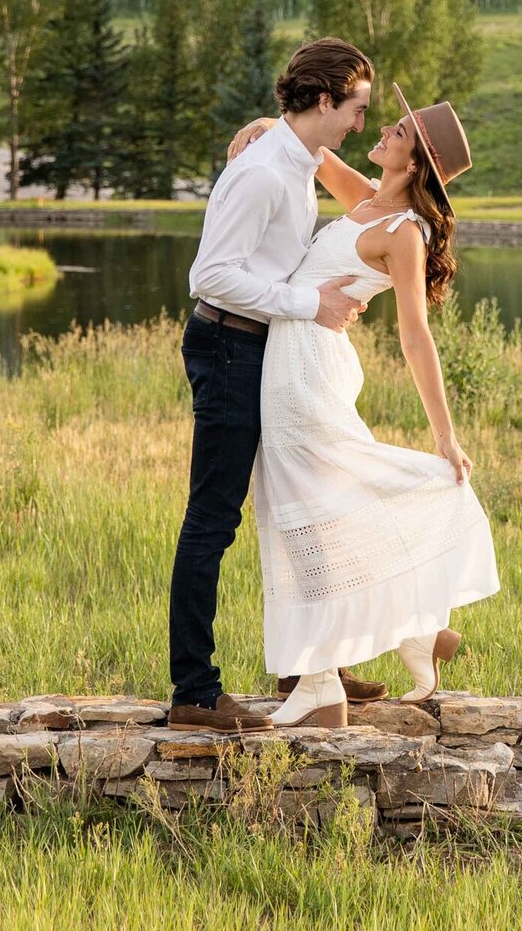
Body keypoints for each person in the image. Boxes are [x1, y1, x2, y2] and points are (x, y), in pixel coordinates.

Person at [229, 84, 499, 729]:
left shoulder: (403, 233)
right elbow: (314, 149)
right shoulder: (368, 203)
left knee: (304, 515)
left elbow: (415, 336)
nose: (382, 133)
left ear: (414, 164)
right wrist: (269, 120)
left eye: (399, 133)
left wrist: (446, 435)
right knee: (302, 513)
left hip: (308, 371)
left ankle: (329, 679)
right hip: (291, 361)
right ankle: (407, 634)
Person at [166, 38, 379, 732]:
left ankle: (310, 666)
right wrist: (310, 305)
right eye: (355, 109)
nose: (360, 123)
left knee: (299, 503)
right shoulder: (262, 172)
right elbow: (211, 276)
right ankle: (194, 695)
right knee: (213, 521)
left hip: (263, 348)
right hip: (228, 345)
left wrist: (284, 129)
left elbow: (368, 198)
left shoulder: (301, 157)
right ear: (324, 100)